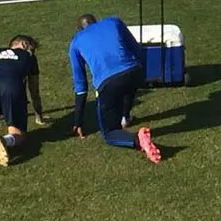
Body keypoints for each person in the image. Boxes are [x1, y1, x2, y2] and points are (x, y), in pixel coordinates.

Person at [68, 14, 161, 163]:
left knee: (109, 134)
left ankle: (138, 139)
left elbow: (81, 86)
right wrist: (142, 73)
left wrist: (78, 122)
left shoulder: (76, 42)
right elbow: (137, 49)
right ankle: (125, 117)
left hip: (109, 82)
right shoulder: (113, 22)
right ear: (96, 21)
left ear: (79, 29)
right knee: (127, 87)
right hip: (134, 72)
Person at [0, 35, 46, 166]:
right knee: (18, 133)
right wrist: (39, 116)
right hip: (11, 86)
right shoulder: (29, 56)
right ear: (25, 45)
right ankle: (4, 141)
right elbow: (34, 91)